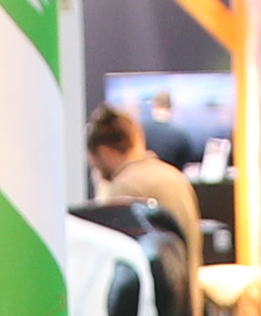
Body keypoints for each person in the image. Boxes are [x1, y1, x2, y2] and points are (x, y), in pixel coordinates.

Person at [85, 100, 200, 247]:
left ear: (104, 152)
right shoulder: (174, 175)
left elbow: (114, 248)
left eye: (94, 164)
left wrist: (104, 192)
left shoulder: (126, 186)